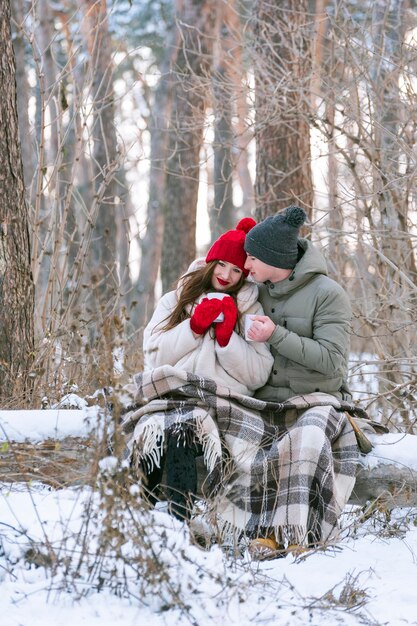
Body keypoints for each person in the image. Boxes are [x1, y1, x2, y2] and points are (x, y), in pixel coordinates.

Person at [136, 218, 274, 518]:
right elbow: (154, 354)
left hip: (221, 402)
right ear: (210, 261)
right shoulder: (175, 299)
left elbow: (259, 373)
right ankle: (142, 519)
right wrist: (194, 327)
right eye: (222, 264)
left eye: (236, 269)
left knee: (184, 427)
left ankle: (178, 519)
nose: (226, 275)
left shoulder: (250, 309)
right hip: (172, 394)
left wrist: (227, 340)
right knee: (159, 429)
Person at [241, 205, 358, 558]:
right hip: (263, 401)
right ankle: (248, 527)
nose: (246, 265)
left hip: (318, 399)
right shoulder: (253, 291)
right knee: (238, 434)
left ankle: (292, 531)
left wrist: (276, 335)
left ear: (272, 258)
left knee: (306, 436)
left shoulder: (328, 293)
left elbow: (332, 365)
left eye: (251, 258)